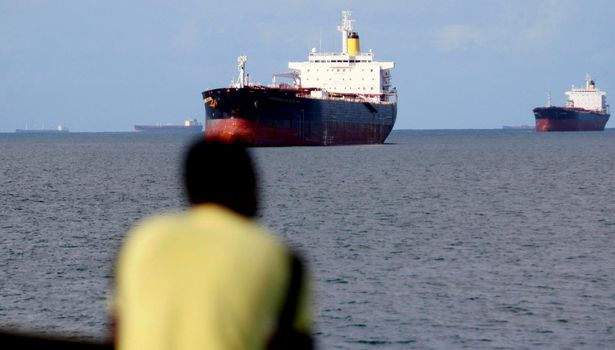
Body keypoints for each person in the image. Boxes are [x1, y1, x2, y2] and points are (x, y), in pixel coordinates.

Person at [112, 141, 313, 350]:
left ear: (188, 188)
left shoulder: (138, 241)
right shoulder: (282, 259)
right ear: (251, 187)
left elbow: (117, 332)